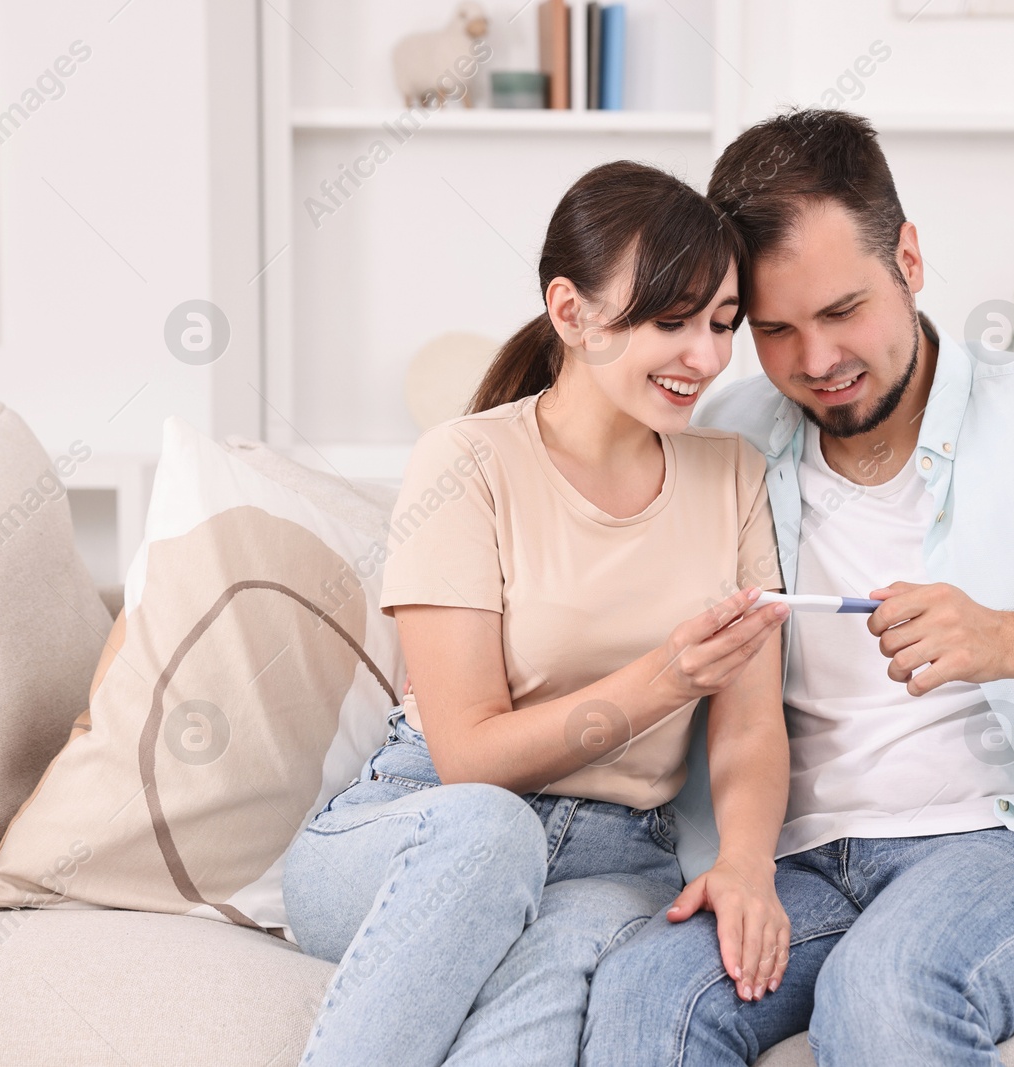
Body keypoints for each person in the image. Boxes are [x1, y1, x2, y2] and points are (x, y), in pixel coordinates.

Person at [582, 111, 1014, 1066]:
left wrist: (1005, 638)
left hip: (1005, 852)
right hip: (787, 856)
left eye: (843, 312)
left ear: (909, 259)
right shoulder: (727, 437)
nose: (816, 362)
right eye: (776, 331)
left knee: (884, 988)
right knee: (644, 995)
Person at [281, 160, 793, 1067]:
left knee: (545, 1001)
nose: (708, 359)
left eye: (723, 325)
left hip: (615, 858)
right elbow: (468, 756)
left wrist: (747, 862)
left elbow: (751, 725)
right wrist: (665, 679)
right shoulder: (467, 463)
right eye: (671, 323)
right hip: (426, 825)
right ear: (571, 313)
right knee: (491, 831)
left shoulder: (735, 475)